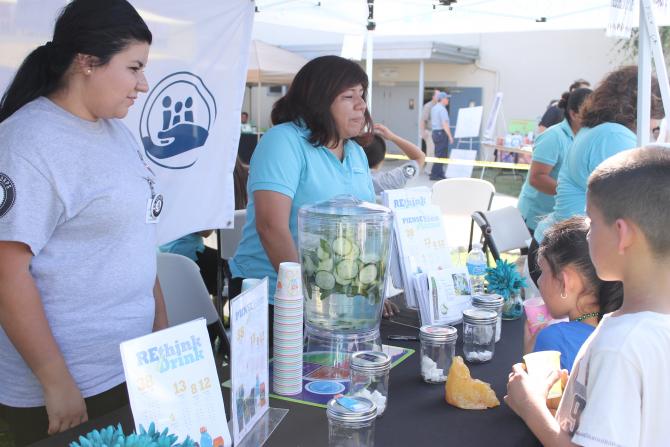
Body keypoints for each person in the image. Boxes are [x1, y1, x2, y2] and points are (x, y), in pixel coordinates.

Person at [0, 1, 167, 444]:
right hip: (70, 388)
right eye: (134, 68)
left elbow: (137, 243)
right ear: (87, 62)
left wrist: (161, 341)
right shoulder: (27, 141)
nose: (142, 84)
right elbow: (6, 272)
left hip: (131, 367)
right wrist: (55, 380)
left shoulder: (117, 133)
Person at [506, 146, 670, 446]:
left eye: (592, 222)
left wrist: (531, 407)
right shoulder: (640, 330)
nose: (589, 233)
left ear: (622, 234)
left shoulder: (621, 346)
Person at [228, 55, 397, 326]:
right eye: (348, 96)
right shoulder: (284, 141)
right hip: (275, 298)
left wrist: (363, 290)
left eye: (362, 94)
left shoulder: (355, 152)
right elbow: (271, 227)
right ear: (319, 99)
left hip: (337, 300)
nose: (361, 104)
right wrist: (308, 297)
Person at [528, 66, 664, 285]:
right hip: (569, 258)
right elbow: (641, 198)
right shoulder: (613, 135)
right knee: (590, 319)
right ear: (645, 107)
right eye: (655, 127)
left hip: (564, 250)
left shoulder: (600, 130)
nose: (654, 132)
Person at [524, 217, 623, 372]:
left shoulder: (554, 339)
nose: (540, 281)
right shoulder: (623, 331)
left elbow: (532, 393)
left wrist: (530, 350)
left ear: (565, 282)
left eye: (542, 271)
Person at [517, 88, 592, 234]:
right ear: (574, 114)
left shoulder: (585, 137)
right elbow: (536, 178)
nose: (597, 118)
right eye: (590, 113)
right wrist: (570, 193)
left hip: (562, 218)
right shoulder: (553, 136)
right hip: (536, 218)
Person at [363, 123, 426, 194]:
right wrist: (392, 137)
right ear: (382, 159)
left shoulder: (350, 178)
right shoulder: (388, 181)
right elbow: (419, 157)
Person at [159, 230, 218, 295]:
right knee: (226, 266)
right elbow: (205, 233)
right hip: (189, 253)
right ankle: (212, 302)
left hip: (165, 253)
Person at [429, 91, 454, 181]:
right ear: (442, 99)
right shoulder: (442, 109)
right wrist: (450, 136)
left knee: (439, 154)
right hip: (441, 133)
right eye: (447, 98)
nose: (448, 100)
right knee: (440, 155)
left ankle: (440, 173)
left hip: (435, 133)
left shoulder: (434, 108)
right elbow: (444, 124)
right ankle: (434, 174)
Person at [420, 89, 440, 173]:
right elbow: (423, 120)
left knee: (435, 151)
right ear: (433, 96)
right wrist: (423, 132)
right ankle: (428, 169)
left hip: (436, 132)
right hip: (429, 132)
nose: (439, 97)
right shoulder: (428, 106)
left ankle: (433, 169)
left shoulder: (438, 106)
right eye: (438, 95)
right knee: (431, 151)